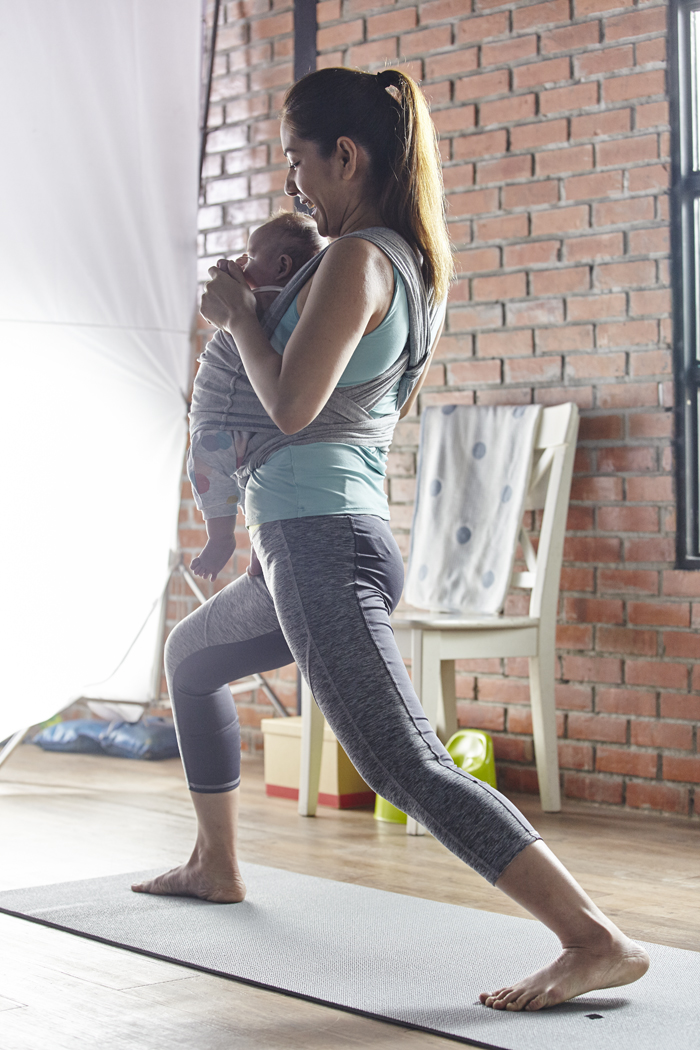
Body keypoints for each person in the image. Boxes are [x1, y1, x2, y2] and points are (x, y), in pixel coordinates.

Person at [132, 66, 649, 1012]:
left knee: (402, 760)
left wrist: (240, 317)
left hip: (321, 542)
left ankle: (593, 939)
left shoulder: (357, 260)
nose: (293, 182)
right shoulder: (404, 262)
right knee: (193, 657)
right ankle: (216, 863)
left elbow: (293, 407)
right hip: (314, 540)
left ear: (346, 155)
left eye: (297, 159)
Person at [188, 211, 327, 582]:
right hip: (261, 434)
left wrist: (227, 277)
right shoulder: (301, 309)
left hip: (223, 425)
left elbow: (233, 312)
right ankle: (259, 551)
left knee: (206, 468)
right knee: (255, 490)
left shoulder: (265, 301)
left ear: (282, 266)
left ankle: (220, 537)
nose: (242, 264)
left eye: (250, 257)